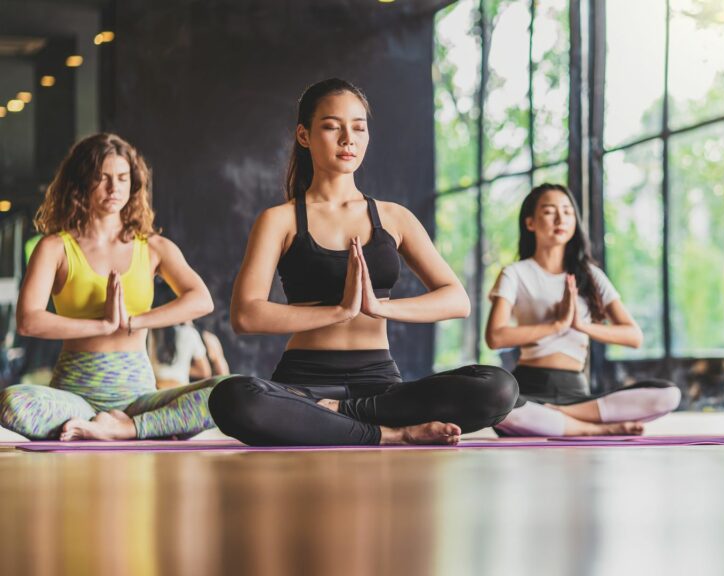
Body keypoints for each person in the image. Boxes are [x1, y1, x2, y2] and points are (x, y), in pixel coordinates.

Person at [208, 79, 517, 446]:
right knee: (232, 398)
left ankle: (342, 417)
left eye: (358, 127)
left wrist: (379, 307)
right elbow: (246, 315)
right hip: (303, 382)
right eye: (331, 126)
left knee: (498, 388)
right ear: (304, 136)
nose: (347, 139)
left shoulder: (393, 217)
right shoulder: (280, 220)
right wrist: (339, 311)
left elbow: (457, 299)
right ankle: (387, 434)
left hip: (380, 388)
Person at [1, 133, 223, 441]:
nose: (113, 188)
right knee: (12, 403)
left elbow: (201, 300)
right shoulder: (55, 248)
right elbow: (28, 320)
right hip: (74, 400)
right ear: (80, 183)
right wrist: (102, 325)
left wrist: (132, 321)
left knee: (227, 392)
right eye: (101, 178)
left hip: (138, 400)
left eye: (122, 178)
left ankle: (125, 428)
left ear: (133, 184)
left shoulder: (154, 247)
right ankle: (118, 427)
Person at [484, 184, 680, 436]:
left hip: (578, 394)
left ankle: (561, 416)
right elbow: (495, 337)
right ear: (530, 223)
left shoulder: (591, 275)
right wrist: (556, 325)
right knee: (498, 404)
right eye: (549, 211)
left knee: (669, 395)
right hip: (528, 388)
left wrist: (581, 325)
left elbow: (633, 336)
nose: (560, 218)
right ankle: (592, 429)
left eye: (567, 212)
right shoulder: (515, 273)